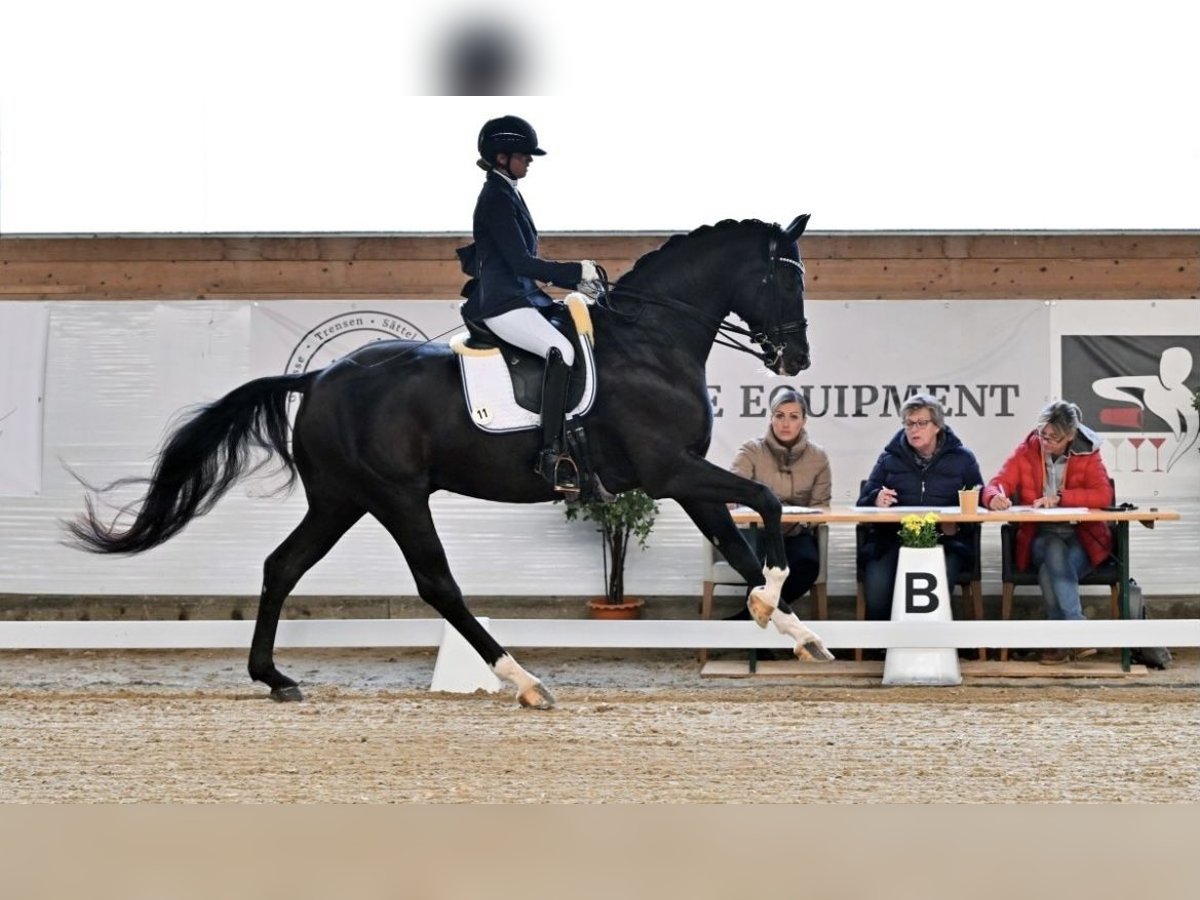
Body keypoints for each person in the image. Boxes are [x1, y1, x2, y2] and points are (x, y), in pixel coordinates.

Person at [459, 115, 604, 492]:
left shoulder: (508, 192)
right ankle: (551, 453)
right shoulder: (495, 197)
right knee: (560, 349)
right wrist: (576, 272)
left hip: (522, 297)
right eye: (524, 154)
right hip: (504, 304)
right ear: (502, 156)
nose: (530, 161)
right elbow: (521, 262)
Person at [981, 400, 1115, 664]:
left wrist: (1061, 498)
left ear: (1071, 436)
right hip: (1038, 537)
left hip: (1082, 539)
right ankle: (1077, 631)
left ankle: (1058, 640)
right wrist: (995, 497)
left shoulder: (1088, 451)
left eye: (1054, 438)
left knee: (1050, 569)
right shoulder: (1028, 449)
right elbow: (995, 484)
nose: (1045, 442)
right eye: (1042, 434)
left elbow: (1103, 494)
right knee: (1052, 546)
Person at [857, 393, 983, 623]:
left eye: (921, 423)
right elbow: (863, 499)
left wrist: (959, 526)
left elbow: (978, 498)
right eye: (909, 423)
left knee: (935, 584)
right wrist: (876, 498)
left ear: (937, 426)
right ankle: (885, 647)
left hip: (946, 539)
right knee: (877, 588)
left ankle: (931, 645)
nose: (914, 430)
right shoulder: (889, 458)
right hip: (892, 539)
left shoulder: (963, 459)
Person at [726, 389, 832, 618]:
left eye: (793, 417)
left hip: (795, 535)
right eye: (779, 415)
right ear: (771, 418)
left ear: (803, 421)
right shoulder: (751, 450)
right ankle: (757, 645)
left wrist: (804, 522)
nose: (785, 423)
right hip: (757, 533)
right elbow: (732, 489)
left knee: (806, 565)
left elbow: (821, 506)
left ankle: (744, 620)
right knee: (761, 568)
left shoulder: (818, 457)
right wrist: (731, 501)